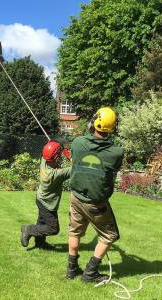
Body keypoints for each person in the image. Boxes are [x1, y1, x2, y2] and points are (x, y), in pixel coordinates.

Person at [66, 107, 124, 283]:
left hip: (76, 197)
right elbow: (111, 168)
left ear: (93, 123)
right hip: (96, 204)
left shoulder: (77, 143)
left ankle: (71, 269)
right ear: (113, 128)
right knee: (109, 235)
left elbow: (76, 157)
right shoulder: (116, 152)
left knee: (75, 233)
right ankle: (90, 272)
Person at [21, 140, 71, 250]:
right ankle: (28, 229)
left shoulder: (44, 159)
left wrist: (53, 146)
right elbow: (76, 168)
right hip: (48, 203)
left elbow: (48, 151)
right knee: (53, 228)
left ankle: (40, 243)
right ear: (56, 158)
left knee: (42, 222)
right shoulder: (55, 174)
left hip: (41, 198)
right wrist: (69, 156)